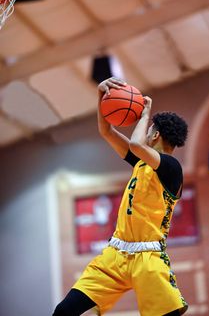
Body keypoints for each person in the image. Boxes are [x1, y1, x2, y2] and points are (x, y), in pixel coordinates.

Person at [53, 77, 189, 316]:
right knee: (65, 312)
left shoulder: (171, 168)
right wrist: (100, 96)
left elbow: (137, 145)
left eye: (149, 129)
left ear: (155, 135)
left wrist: (146, 110)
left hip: (148, 258)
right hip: (115, 255)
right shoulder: (141, 162)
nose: (145, 132)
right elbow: (106, 131)